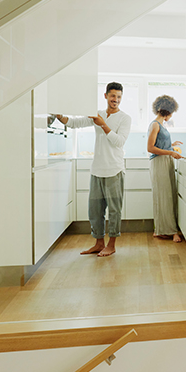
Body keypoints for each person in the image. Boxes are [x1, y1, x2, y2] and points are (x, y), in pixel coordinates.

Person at [56, 82, 132, 257]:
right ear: (105, 96)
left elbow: (119, 141)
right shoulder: (97, 114)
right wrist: (60, 116)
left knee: (114, 210)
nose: (116, 100)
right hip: (97, 169)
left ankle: (111, 245)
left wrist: (103, 124)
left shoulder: (124, 118)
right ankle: (99, 243)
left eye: (119, 97)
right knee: (95, 210)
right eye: (113, 96)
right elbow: (75, 122)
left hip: (114, 170)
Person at [147, 95, 183, 242]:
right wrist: (171, 152)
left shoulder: (161, 125)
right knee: (165, 197)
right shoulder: (155, 124)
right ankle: (169, 230)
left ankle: (161, 229)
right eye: (171, 112)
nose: (172, 115)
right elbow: (150, 148)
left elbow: (159, 144)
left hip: (164, 162)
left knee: (167, 196)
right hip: (159, 163)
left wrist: (171, 145)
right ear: (166, 110)